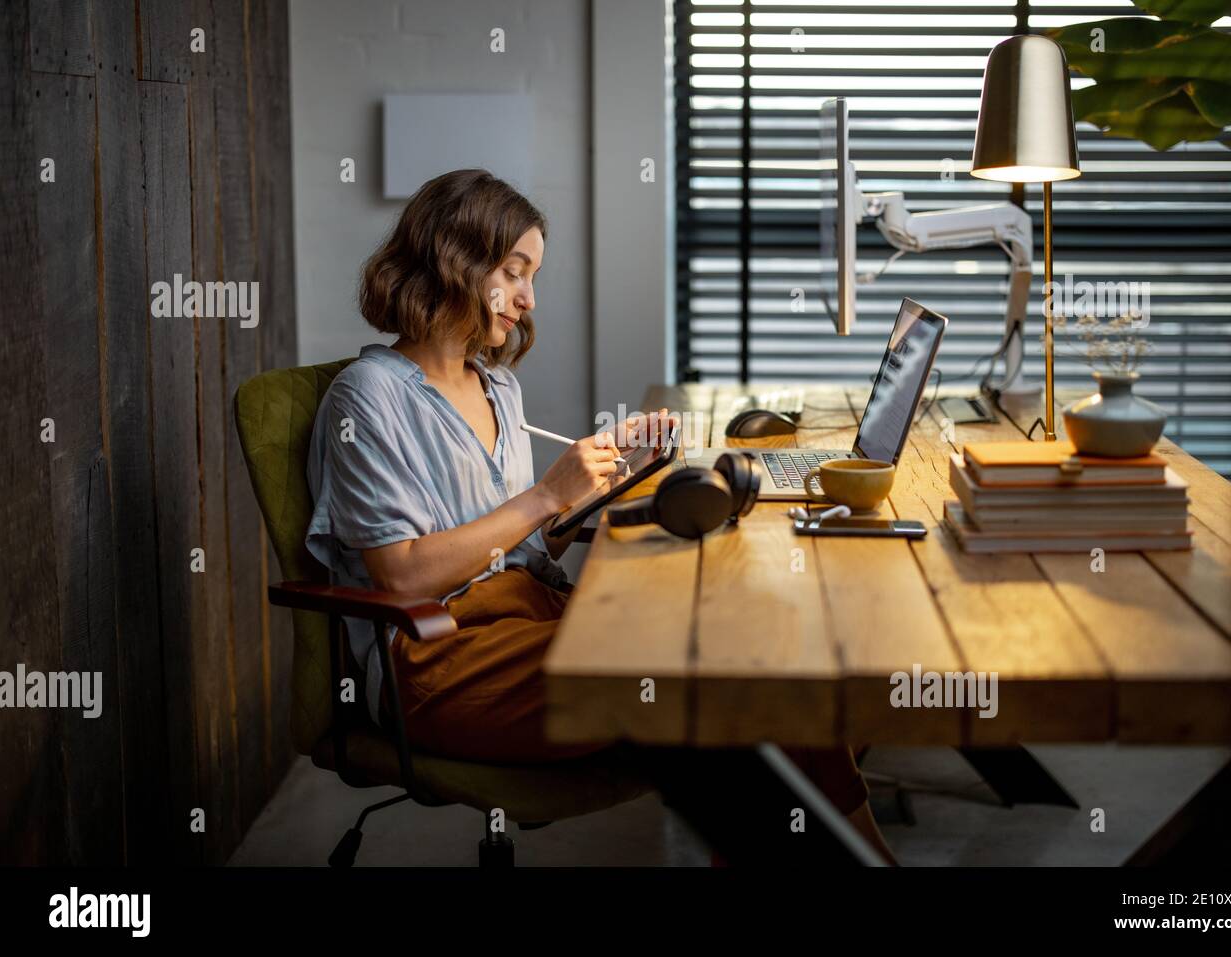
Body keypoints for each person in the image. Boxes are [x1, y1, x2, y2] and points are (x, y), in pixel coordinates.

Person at [305, 168, 896, 864]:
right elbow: (404, 579)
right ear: (456, 262)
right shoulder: (367, 397)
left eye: (534, 275)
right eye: (515, 271)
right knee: (705, 672)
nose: (527, 300)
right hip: (440, 659)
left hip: (533, 614)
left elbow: (516, 542)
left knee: (750, 640)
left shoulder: (496, 386)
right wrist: (545, 496)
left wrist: (610, 480)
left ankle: (854, 851)